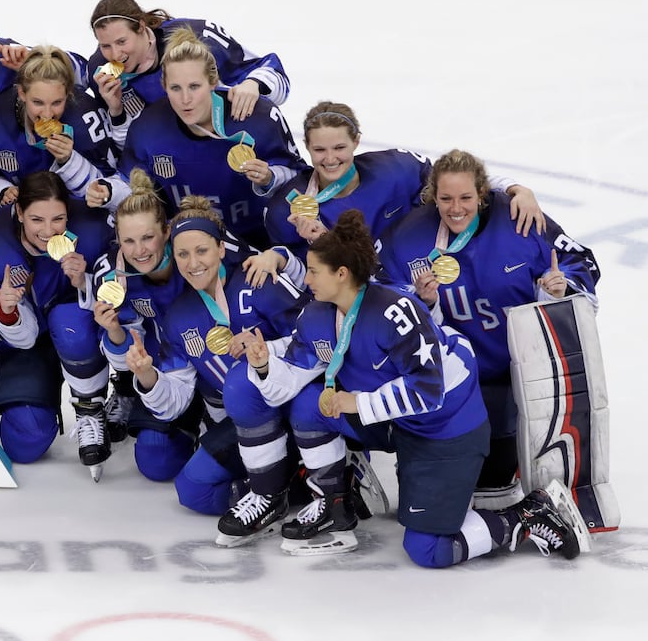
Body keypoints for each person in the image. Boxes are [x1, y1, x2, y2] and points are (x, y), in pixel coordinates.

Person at [224, 209, 590, 565]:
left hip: (445, 427)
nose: (306, 280)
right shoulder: (316, 315)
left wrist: (356, 402)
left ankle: (527, 515)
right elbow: (282, 388)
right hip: (397, 422)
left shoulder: (396, 310)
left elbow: (429, 392)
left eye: (314, 272)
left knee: (427, 549)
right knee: (310, 406)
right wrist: (263, 365)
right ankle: (334, 503)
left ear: (341, 273)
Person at [378, 149, 601, 509]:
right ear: (433, 196)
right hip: (448, 377)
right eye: (446, 198)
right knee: (426, 492)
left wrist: (555, 290)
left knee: (493, 480)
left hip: (512, 372)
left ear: (482, 195)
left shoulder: (521, 221)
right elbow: (379, 300)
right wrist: (423, 303)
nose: (456, 208)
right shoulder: (406, 238)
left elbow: (582, 263)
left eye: (466, 197)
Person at [99, 195, 310, 513]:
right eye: (183, 254)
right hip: (249, 419)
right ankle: (292, 486)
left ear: (222, 249)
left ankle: (328, 466)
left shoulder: (258, 281)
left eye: (202, 251)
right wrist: (147, 375)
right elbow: (173, 403)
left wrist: (267, 351)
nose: (193, 263)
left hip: (299, 408)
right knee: (192, 490)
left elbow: (320, 337)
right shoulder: (180, 316)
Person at [251, 101, 544, 285]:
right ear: (307, 147)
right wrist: (310, 247)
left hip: (432, 277)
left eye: (339, 147)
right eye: (319, 150)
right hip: (368, 304)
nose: (330, 159)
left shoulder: (398, 169)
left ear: (356, 142)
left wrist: (514, 187)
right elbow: (310, 284)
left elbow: (454, 181)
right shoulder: (288, 210)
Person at [90, 26, 305, 250]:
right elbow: (129, 183)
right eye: (175, 88)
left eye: (194, 86)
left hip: (261, 248)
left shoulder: (258, 118)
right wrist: (108, 191)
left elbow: (300, 179)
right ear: (164, 87)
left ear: (213, 82)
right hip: (189, 251)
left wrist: (269, 178)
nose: (185, 99)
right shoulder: (147, 128)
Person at [0, 172, 113, 477]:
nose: (48, 231)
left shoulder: (91, 230)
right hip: (28, 342)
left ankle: (91, 406)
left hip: (75, 331)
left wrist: (84, 282)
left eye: (58, 219)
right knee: (25, 442)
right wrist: (8, 310)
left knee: (70, 320)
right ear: (19, 213)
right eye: (36, 219)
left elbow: (117, 304)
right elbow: (22, 338)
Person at [86, 0, 289, 144]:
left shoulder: (200, 38)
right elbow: (128, 151)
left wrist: (253, 84)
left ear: (140, 27)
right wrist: (116, 111)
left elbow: (279, 83)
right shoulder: (99, 72)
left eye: (122, 41)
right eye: (105, 46)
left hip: (229, 147)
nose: (114, 54)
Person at [0, 45, 116, 212]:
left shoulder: (87, 120)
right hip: (22, 217)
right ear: (21, 92)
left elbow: (109, 189)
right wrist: (1, 191)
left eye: (57, 102)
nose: (47, 114)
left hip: (75, 211)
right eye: (38, 102)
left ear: (68, 94)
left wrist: (69, 160)